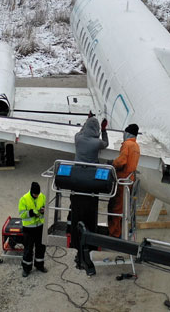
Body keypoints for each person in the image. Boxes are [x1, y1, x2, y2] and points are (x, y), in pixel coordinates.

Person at [70, 113, 108, 274]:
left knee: (75, 209)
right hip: (91, 181)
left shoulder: (78, 139)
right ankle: (89, 243)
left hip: (77, 179)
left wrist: (85, 122)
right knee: (90, 213)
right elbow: (106, 143)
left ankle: (76, 239)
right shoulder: (96, 143)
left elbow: (80, 133)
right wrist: (104, 130)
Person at [109, 123, 141, 238]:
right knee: (124, 207)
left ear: (127, 133)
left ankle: (114, 234)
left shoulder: (127, 144)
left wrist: (112, 163)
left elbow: (122, 161)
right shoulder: (136, 146)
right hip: (130, 180)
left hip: (122, 180)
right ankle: (122, 231)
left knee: (115, 208)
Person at [17, 180, 47, 277]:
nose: (37, 196)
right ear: (31, 191)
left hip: (40, 227)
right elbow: (22, 214)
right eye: (35, 194)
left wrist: (43, 210)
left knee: (41, 247)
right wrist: (31, 212)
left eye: (38, 194)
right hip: (29, 229)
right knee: (28, 249)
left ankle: (39, 265)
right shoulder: (24, 199)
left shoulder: (42, 196)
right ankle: (26, 268)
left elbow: (45, 207)